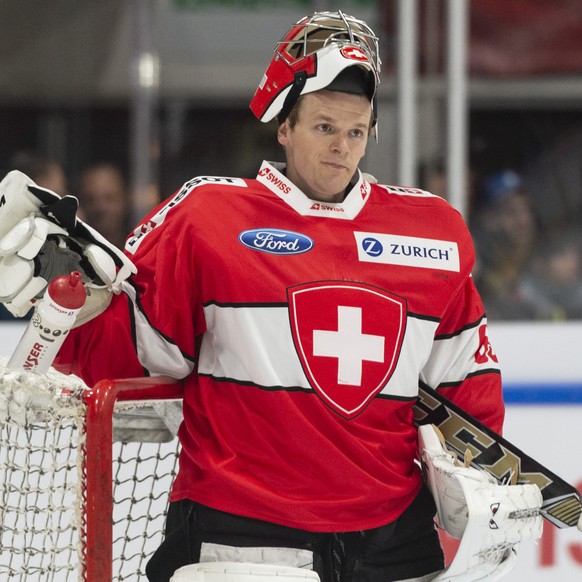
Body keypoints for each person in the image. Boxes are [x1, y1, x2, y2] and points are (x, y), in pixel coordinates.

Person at [2, 12, 506, 582]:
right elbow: (140, 356)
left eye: (356, 131)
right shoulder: (209, 216)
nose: (342, 147)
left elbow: (466, 381)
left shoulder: (432, 232)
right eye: (323, 127)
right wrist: (75, 306)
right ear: (283, 128)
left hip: (395, 544)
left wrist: (478, 474)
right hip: (243, 539)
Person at [76, 162, 130, 249]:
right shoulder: (73, 254)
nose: (101, 207)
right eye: (91, 200)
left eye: (109, 198)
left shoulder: (141, 250)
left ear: (125, 199)